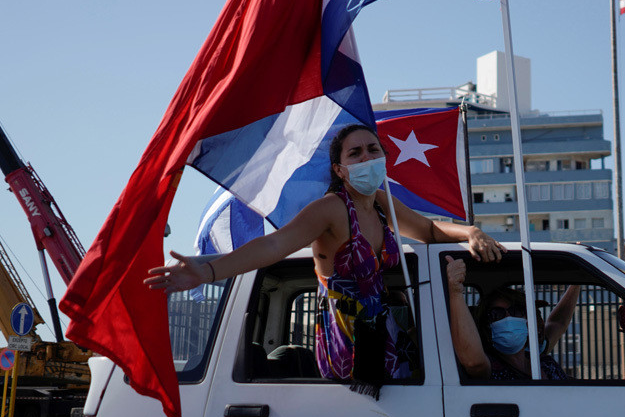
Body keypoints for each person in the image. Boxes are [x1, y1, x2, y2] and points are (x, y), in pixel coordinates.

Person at [146, 124, 506, 395]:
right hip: (347, 344)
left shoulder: (382, 204)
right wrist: (208, 270)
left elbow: (427, 230)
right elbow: (275, 246)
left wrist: (470, 232)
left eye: (372, 150)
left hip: (383, 335)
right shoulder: (331, 210)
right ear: (339, 170)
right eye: (355, 154)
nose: (367, 158)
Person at [445, 255, 580, 380]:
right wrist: (456, 291)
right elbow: (473, 363)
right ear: (487, 326)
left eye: (515, 311)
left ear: (527, 320)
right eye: (497, 314)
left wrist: (576, 282)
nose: (508, 318)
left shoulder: (541, 359)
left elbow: (558, 323)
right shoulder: (492, 369)